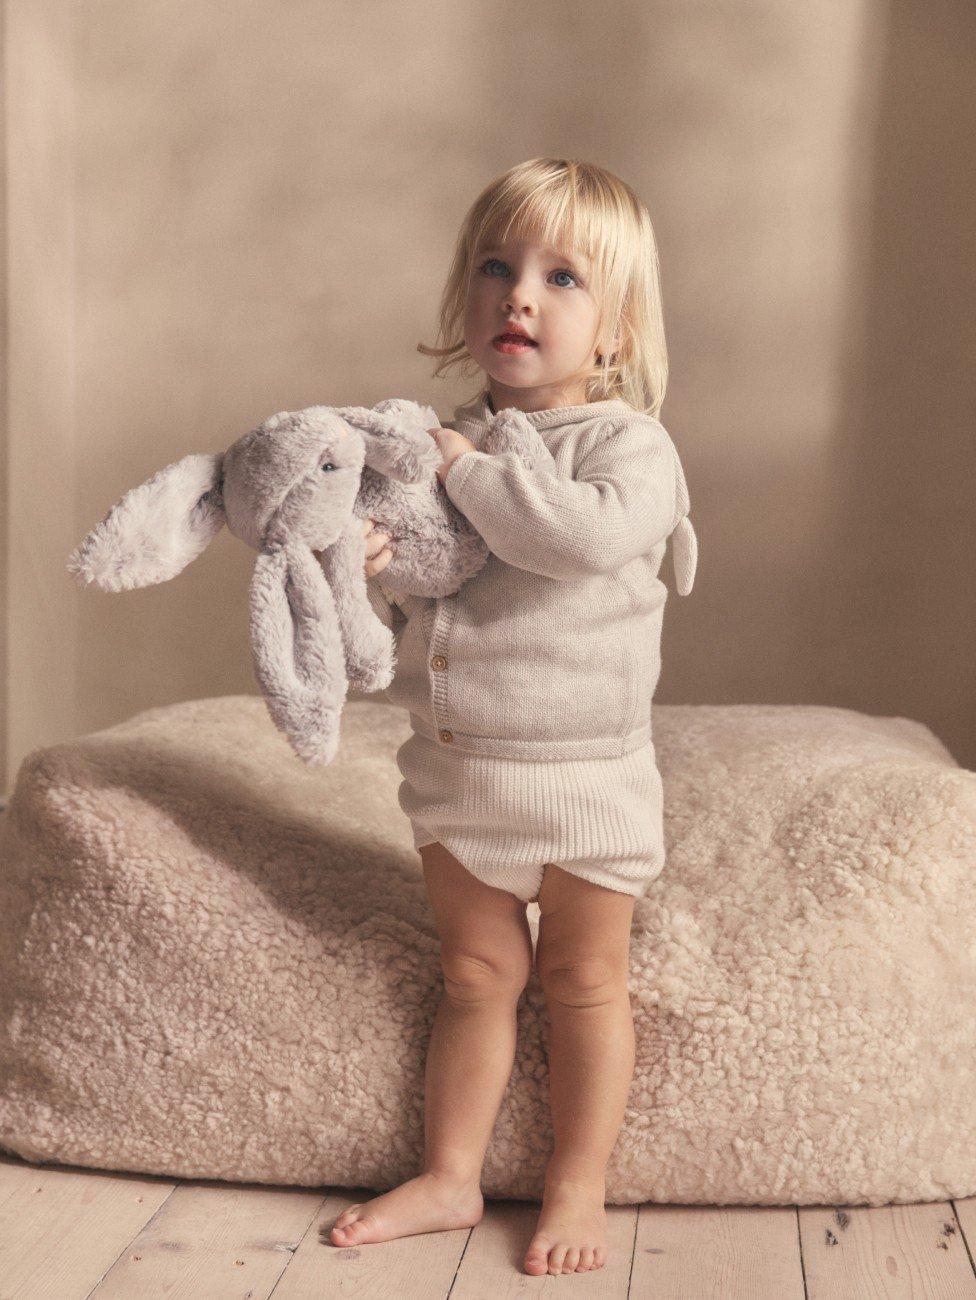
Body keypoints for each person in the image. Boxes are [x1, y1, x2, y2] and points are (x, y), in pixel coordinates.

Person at [329, 156, 696, 1277]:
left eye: (560, 277)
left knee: (585, 979)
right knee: (475, 976)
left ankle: (577, 1177)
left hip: (586, 782)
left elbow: (569, 538)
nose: (518, 295)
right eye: (496, 266)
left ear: (619, 333)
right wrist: (370, 570)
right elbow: (439, 589)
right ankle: (450, 1173)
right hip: (459, 774)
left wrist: (468, 472)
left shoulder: (628, 451)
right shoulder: (441, 444)